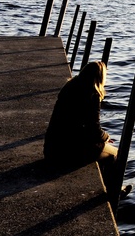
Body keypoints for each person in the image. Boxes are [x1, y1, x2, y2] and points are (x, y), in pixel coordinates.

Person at [44, 61, 121, 190]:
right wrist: (105, 137)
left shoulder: (70, 86)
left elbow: (79, 126)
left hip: (52, 148)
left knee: (102, 147)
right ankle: (114, 191)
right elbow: (94, 129)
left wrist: (100, 139)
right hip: (67, 153)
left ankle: (105, 186)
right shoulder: (92, 94)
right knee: (116, 154)